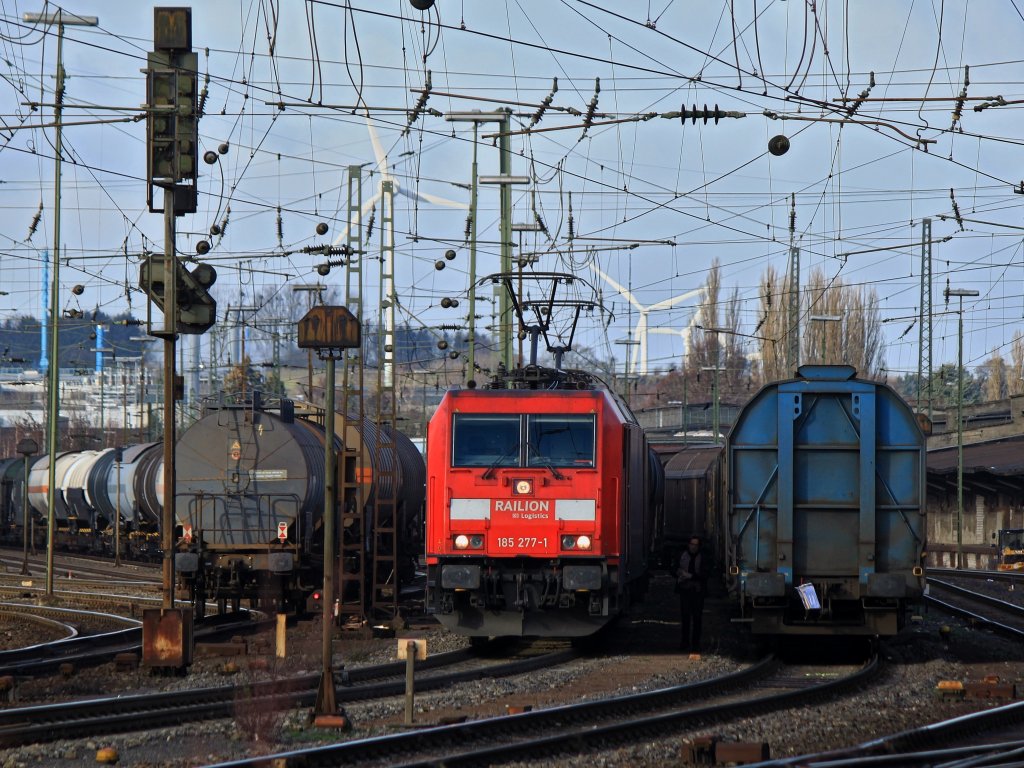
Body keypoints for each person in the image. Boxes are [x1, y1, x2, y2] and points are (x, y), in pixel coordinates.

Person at [677, 535, 711, 652]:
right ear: (689, 545)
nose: (693, 547)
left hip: (698, 591)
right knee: (685, 617)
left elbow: (705, 574)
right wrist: (679, 574)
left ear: (699, 546)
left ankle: (695, 643)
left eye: (696, 545)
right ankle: (684, 642)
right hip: (685, 590)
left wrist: (691, 576)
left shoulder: (703, 557)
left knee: (697, 618)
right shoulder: (682, 555)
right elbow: (674, 568)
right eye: (692, 544)